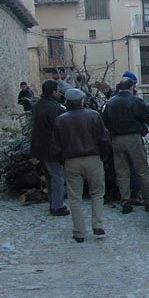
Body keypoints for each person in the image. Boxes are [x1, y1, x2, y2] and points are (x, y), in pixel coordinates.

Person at [51, 88, 111, 243]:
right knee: (97, 193)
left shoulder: (60, 120)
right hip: (93, 158)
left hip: (71, 160)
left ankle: (79, 232)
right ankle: (97, 225)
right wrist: (103, 157)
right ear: (82, 101)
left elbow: (56, 145)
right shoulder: (94, 115)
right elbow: (104, 138)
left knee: (74, 197)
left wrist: (63, 160)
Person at [102, 77, 149, 214]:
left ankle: (125, 201)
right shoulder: (135, 101)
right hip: (133, 138)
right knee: (142, 170)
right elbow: (147, 118)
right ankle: (148, 200)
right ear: (132, 87)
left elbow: (105, 122)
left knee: (122, 172)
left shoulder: (111, 102)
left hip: (116, 139)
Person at [30, 79, 69, 216]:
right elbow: (59, 128)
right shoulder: (53, 109)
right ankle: (57, 206)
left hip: (39, 147)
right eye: (57, 90)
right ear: (53, 91)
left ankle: (53, 203)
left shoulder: (38, 105)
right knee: (57, 177)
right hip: (51, 148)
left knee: (49, 177)